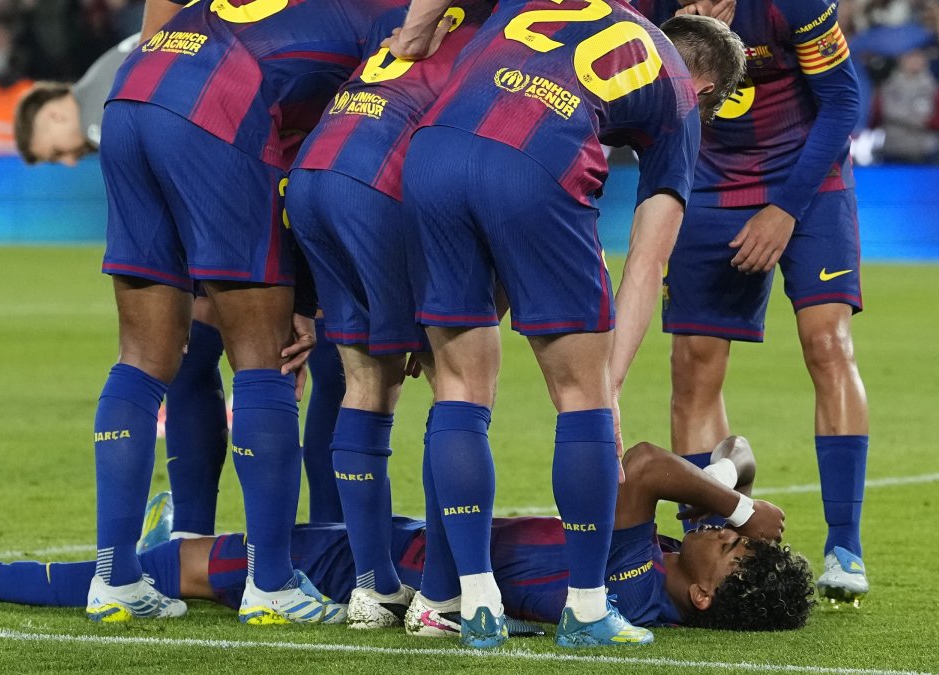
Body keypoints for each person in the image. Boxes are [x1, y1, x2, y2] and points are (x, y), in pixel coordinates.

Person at [388, 0, 744, 648]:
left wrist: (415, 25)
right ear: (710, 86)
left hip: (432, 151)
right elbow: (647, 260)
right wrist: (608, 385)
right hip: (537, 160)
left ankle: (461, 599)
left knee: (459, 386)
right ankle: (586, 607)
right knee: (579, 396)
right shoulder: (677, 95)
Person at [81, 0, 402, 625]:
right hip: (224, 101)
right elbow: (331, 162)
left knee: (144, 356)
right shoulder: (394, 21)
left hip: (136, 89)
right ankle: (273, 584)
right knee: (266, 358)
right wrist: (305, 299)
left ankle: (114, 578)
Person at [0, 436, 813, 635]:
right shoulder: (663, 569)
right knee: (229, 541)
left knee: (177, 569)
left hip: (383, 571)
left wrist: (734, 508)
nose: (722, 538)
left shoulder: (624, 576)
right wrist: (732, 488)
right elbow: (722, 456)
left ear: (700, 591)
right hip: (403, 544)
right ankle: (167, 548)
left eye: (727, 554)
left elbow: (649, 463)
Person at [11, 32, 348, 531]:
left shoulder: (103, 105)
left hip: (254, 178)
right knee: (330, 369)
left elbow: (172, 186)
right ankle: (329, 533)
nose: (67, 159)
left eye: (54, 151)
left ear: (52, 114)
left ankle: (194, 536)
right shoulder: (132, 52)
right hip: (303, 159)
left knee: (203, 359)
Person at [634, 0, 872, 606]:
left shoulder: (793, 4)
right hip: (708, 181)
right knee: (694, 364)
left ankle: (845, 547)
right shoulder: (645, 6)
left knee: (827, 344)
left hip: (809, 183)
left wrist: (785, 208)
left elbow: (843, 100)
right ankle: (703, 535)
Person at [286, 0, 495, 630]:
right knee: (456, 378)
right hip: (380, 181)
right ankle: (439, 596)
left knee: (366, 382)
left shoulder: (427, 25)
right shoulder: (509, 40)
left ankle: (373, 588)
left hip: (316, 174)